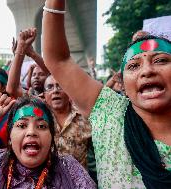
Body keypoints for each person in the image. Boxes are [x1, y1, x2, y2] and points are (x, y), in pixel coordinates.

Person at [42, 0, 171, 188]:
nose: (147, 71)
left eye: (160, 60)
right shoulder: (110, 113)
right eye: (134, 66)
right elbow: (58, 60)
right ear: (123, 83)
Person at [0, 93, 96, 188]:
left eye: (41, 126)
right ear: (9, 137)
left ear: (51, 136)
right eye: (22, 125)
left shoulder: (68, 167)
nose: (31, 132)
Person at [43, 75, 92, 168]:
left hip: (79, 180)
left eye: (60, 86)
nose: (55, 91)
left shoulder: (85, 117)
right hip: (48, 180)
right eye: (50, 87)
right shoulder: (40, 119)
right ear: (44, 95)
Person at [7, 28, 49, 99]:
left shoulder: (54, 94)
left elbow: (53, 75)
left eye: (41, 74)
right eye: (33, 75)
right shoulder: (30, 98)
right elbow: (12, 89)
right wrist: (21, 48)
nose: (36, 77)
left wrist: (31, 53)